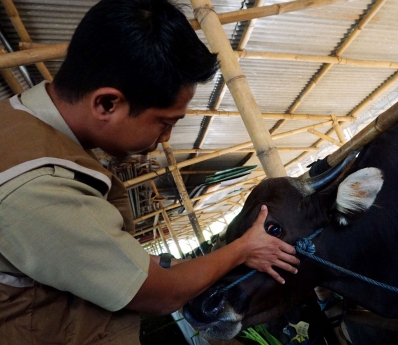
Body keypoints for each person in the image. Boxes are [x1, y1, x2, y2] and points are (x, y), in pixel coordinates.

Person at [0, 0, 299, 343]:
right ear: (107, 104)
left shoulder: (17, 124)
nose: (166, 138)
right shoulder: (39, 185)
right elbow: (162, 295)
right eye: (165, 122)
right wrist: (245, 249)